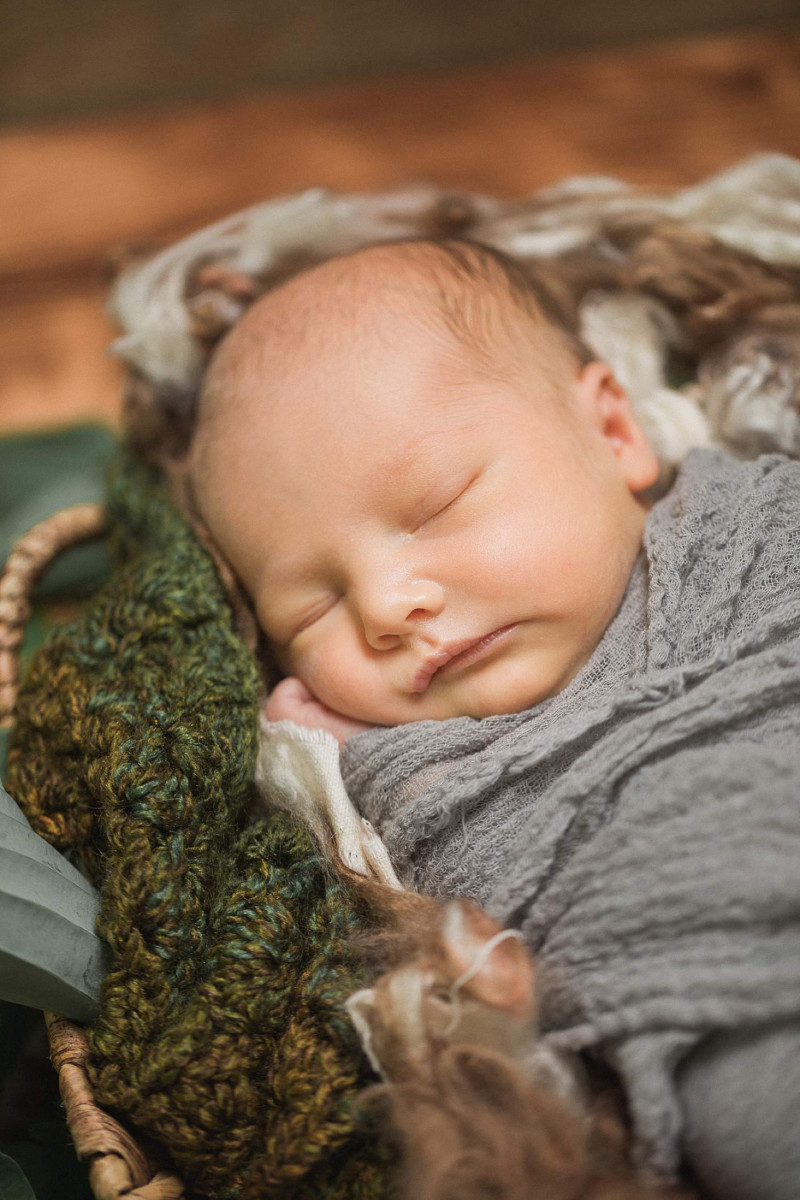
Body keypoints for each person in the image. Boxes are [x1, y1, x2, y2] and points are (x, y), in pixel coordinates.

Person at [189, 237, 660, 741]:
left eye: (441, 504)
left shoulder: (750, 528)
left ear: (612, 432)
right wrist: (357, 761)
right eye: (309, 614)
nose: (383, 607)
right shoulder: (362, 775)